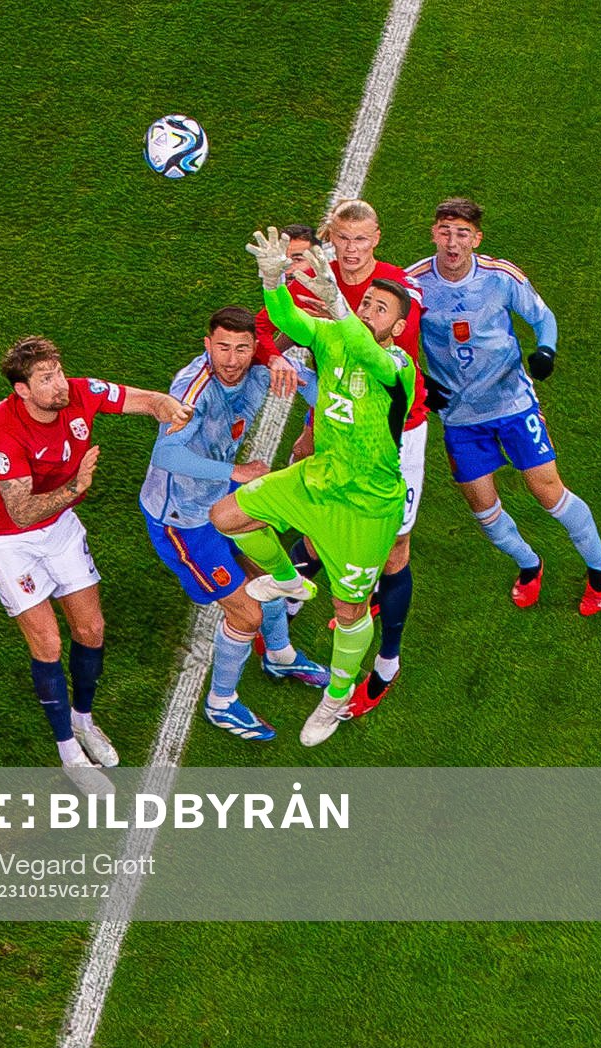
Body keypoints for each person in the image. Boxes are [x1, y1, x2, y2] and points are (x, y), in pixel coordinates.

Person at [211, 229, 414, 747]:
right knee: (228, 517)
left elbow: (366, 353)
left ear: (399, 324)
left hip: (366, 504)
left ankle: (335, 697)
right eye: (366, 301)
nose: (369, 309)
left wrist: (342, 312)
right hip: (317, 477)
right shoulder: (328, 336)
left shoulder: (398, 367)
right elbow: (284, 322)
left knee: (349, 610)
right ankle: (289, 579)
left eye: (381, 308)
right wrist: (272, 279)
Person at [0, 336, 193, 771]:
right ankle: (67, 750)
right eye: (46, 379)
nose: (60, 385)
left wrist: (167, 405)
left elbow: (141, 400)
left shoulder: (81, 392)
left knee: (91, 629)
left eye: (58, 371)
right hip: (8, 540)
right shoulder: (4, 430)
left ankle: (83, 720)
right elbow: (19, 513)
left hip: (59, 529)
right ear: (22, 390)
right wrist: (77, 486)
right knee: (48, 642)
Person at [258, 201, 429, 717]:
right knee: (314, 514)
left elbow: (380, 364)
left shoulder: (398, 293)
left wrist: (331, 306)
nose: (352, 253)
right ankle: (303, 591)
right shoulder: (316, 277)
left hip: (395, 434)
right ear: (331, 236)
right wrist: (275, 356)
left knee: (395, 551)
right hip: (336, 423)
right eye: (343, 240)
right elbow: (271, 327)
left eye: (361, 241)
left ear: (376, 238)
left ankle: (387, 663)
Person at [407, 197, 601, 613]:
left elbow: (543, 317)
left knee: (548, 492)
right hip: (460, 417)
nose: (453, 242)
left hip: (512, 405)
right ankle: (529, 563)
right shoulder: (413, 283)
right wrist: (420, 379)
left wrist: (546, 351)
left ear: (476, 239)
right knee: (483, 509)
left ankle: (600, 566)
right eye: (445, 231)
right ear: (433, 233)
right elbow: (393, 334)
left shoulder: (500, 277)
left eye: (462, 234)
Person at [140, 308, 329, 741]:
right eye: (222, 347)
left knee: (274, 576)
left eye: (242, 348)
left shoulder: (263, 370)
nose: (231, 359)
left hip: (218, 505)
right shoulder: (193, 390)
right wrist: (237, 473)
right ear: (208, 345)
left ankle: (279, 655)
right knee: (247, 611)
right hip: (181, 521)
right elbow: (166, 455)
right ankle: (221, 704)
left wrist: (315, 401)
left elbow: (320, 392)